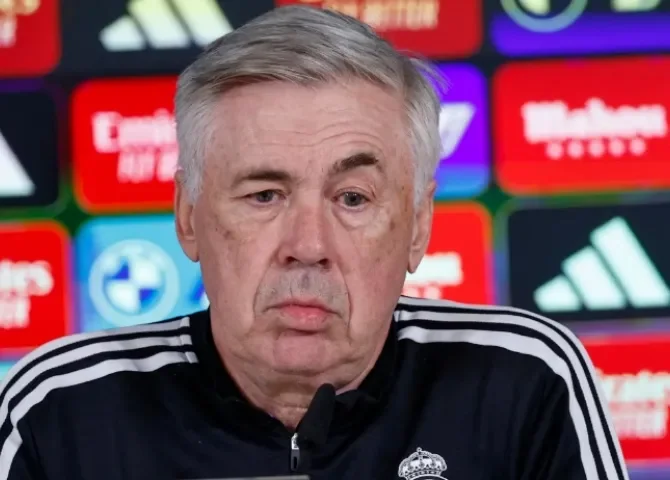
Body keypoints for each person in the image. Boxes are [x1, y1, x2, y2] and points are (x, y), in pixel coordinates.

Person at [0, 5, 627, 480]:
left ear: (417, 225)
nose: (307, 245)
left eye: (352, 198)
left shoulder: (525, 381)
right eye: (264, 195)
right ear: (188, 217)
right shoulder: (61, 412)